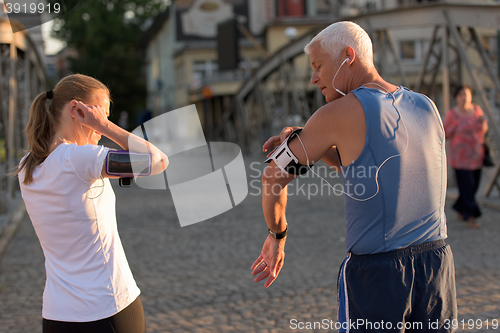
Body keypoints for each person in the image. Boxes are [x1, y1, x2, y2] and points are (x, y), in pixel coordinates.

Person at [251, 21, 457, 332]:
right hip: (437, 265)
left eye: (319, 65)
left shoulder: (337, 113)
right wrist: (317, 146)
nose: (313, 78)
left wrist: (276, 236)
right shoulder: (426, 105)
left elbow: (272, 177)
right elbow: (370, 169)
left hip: (379, 272)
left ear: (348, 56)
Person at [16, 74, 168, 333]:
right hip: (108, 307)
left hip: (57, 315)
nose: (102, 124)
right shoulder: (81, 159)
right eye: (101, 115)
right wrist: (108, 128)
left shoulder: (27, 165)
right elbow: (158, 161)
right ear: (77, 110)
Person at [443, 85, 488, 229]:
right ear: (456, 97)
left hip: (476, 155)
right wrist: (455, 126)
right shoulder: (452, 114)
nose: (464, 97)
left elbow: (483, 130)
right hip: (460, 158)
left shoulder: (476, 110)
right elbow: (444, 132)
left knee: (473, 187)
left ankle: (459, 207)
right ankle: (471, 216)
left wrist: (483, 124)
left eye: (467, 94)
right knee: (467, 187)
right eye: (461, 94)